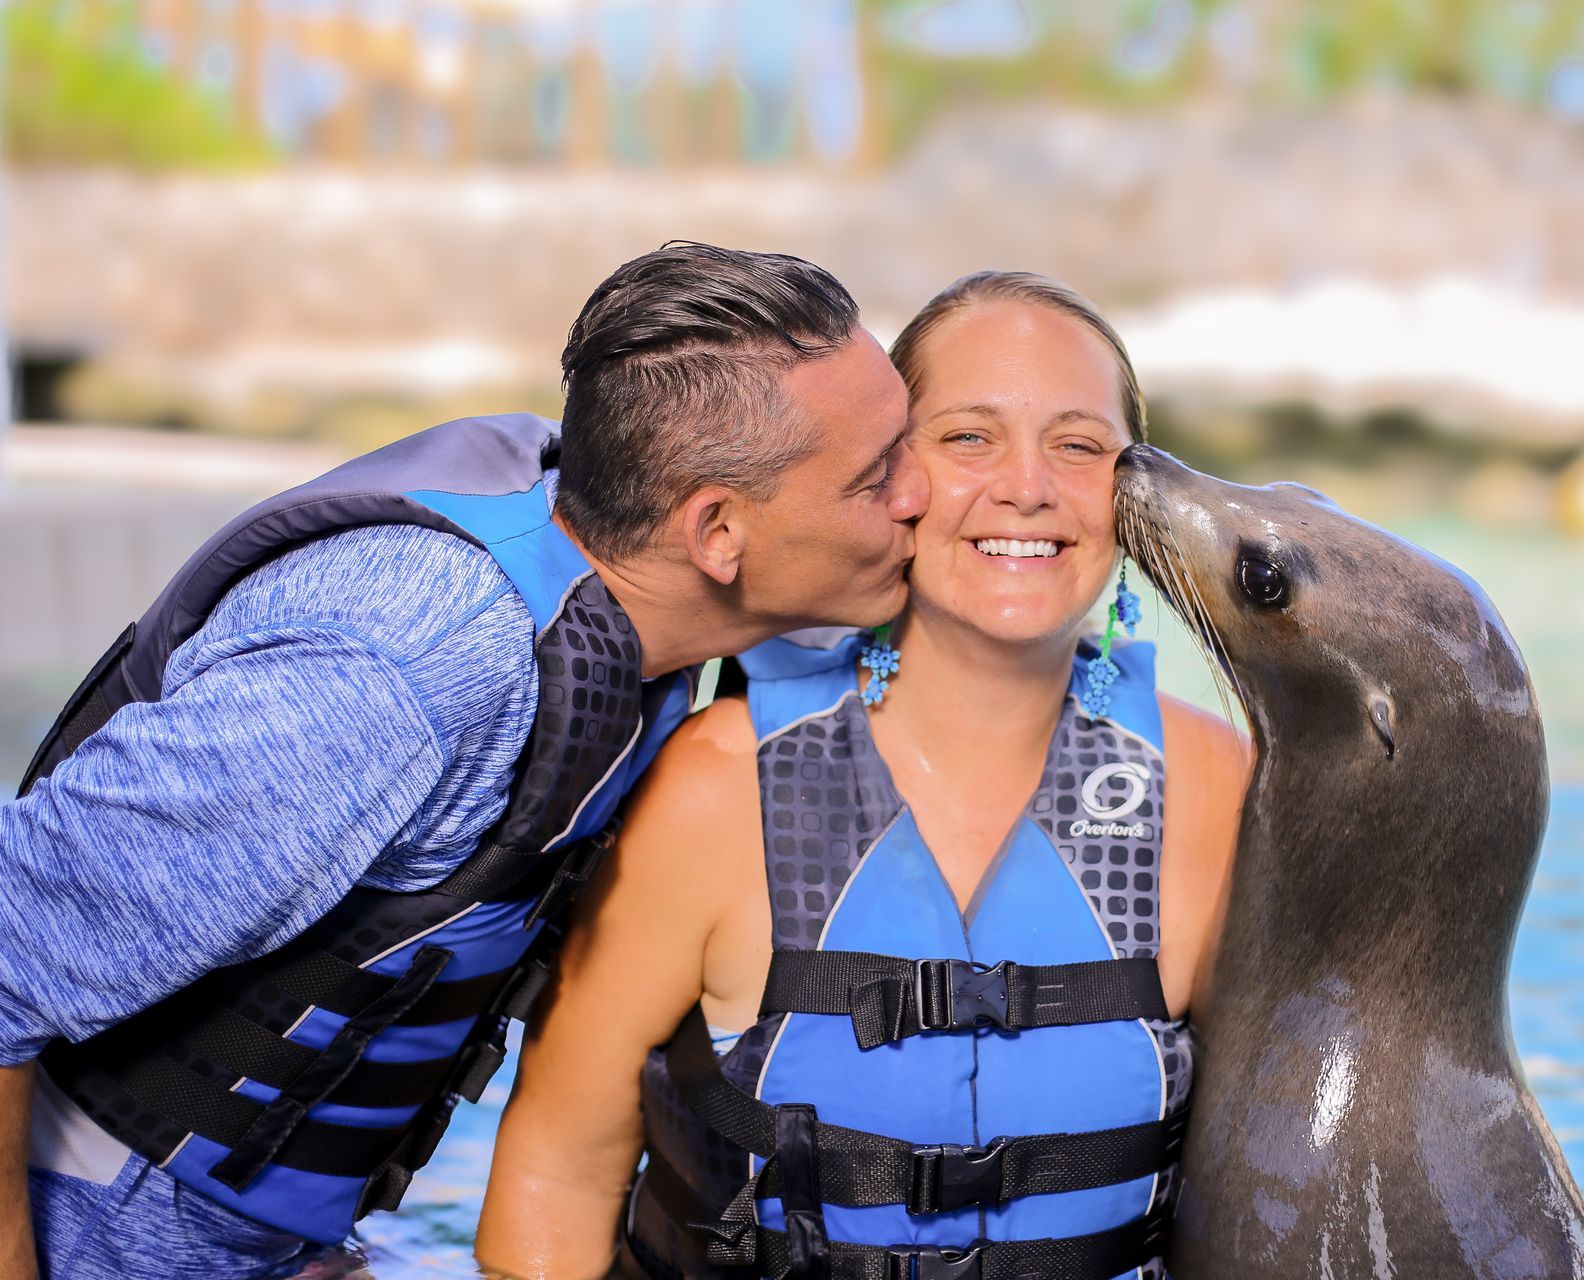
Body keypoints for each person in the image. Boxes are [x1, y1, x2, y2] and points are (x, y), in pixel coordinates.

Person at [0, 242, 931, 1280]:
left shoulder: (628, 585)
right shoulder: (413, 665)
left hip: (262, 1237)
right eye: (877, 472)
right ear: (716, 528)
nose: (923, 491)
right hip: (97, 1224)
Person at [478, 271, 1247, 1280]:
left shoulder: (1213, 783)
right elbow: (557, 1172)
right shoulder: (721, 786)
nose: (1028, 485)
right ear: (893, 477)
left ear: (1133, 497)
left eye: (1080, 444)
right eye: (969, 436)